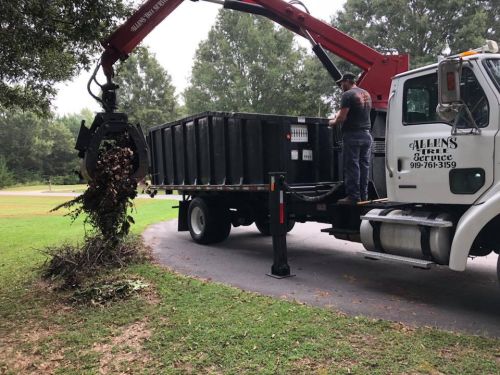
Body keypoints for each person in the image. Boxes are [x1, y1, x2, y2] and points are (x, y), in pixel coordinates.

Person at [329, 72, 373, 204]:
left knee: (352, 166)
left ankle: (353, 196)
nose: (341, 85)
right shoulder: (366, 94)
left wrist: (332, 122)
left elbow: (342, 117)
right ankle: (363, 196)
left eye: (342, 83)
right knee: (364, 166)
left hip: (353, 135)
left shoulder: (347, 95)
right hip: (366, 135)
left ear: (347, 81)